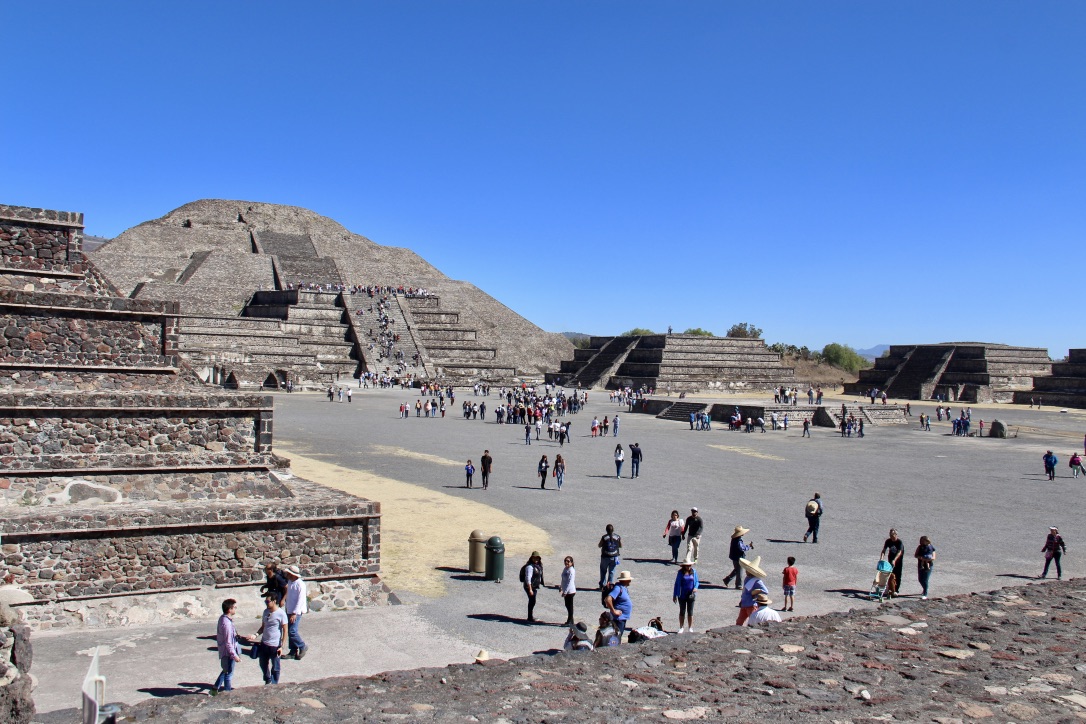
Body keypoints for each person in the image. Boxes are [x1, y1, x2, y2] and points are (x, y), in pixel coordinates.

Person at [212, 598, 245, 694]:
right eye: (234, 607)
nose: (236, 608)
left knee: (225, 670)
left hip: (226, 651)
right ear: (230, 609)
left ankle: (214, 689)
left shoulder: (223, 618)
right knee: (228, 674)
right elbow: (228, 642)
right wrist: (234, 655)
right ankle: (227, 693)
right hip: (228, 652)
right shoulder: (226, 623)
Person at [255, 595, 288, 685]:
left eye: (267, 601)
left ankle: (274, 684)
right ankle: (268, 679)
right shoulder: (265, 612)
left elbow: (285, 630)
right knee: (263, 664)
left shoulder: (281, 613)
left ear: (274, 601)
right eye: (265, 601)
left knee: (276, 667)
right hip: (264, 643)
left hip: (275, 645)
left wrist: (282, 646)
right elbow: (263, 627)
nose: (266, 603)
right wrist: (255, 635)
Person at [282, 565, 308, 660]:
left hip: (296, 612)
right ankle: (293, 651)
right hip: (289, 609)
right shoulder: (290, 582)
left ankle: (302, 646)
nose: (287, 575)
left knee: (292, 631)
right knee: (290, 631)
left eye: (289, 573)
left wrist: (294, 613)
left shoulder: (300, 585)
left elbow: (300, 600)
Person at [736, 556, 769, 626]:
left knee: (753, 622)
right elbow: (744, 591)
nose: (746, 571)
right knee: (739, 621)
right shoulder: (747, 578)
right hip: (744, 603)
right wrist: (742, 600)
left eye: (747, 570)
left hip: (751, 605)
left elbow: (765, 591)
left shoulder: (757, 581)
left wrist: (755, 594)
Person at [672, 558, 699, 633]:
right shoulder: (680, 573)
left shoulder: (694, 572)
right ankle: (681, 627)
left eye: (689, 565)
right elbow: (676, 584)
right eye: (687, 565)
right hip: (682, 595)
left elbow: (697, 582)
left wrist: (696, 587)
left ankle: (690, 627)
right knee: (682, 611)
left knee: (690, 612)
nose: (689, 567)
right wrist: (674, 595)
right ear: (684, 566)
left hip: (691, 595)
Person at [604, 571, 634, 638]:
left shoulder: (623, 587)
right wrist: (614, 611)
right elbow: (608, 599)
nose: (630, 581)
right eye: (629, 580)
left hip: (622, 618)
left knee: (618, 636)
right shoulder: (618, 588)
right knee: (616, 637)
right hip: (618, 619)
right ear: (625, 580)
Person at [520, 552, 544, 622]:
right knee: (532, 601)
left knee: (532, 601)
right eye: (534, 558)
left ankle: (530, 616)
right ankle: (530, 617)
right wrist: (530, 589)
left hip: (534, 586)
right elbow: (528, 578)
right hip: (530, 587)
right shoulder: (530, 567)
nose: (536, 559)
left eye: (537, 558)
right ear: (531, 558)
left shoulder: (538, 566)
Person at [880, 529, 904, 595]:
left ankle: (896, 590)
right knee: (890, 574)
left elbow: (899, 552)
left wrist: (894, 560)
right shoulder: (888, 541)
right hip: (890, 560)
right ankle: (890, 588)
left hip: (898, 561)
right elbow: (884, 550)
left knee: (897, 575)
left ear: (896, 535)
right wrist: (881, 558)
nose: (891, 536)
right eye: (890, 535)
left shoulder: (899, 542)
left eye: (892, 535)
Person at [598, 524, 622, 588]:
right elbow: (620, 546)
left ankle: (602, 585)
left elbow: (599, 545)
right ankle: (610, 585)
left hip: (605, 556)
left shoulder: (604, 537)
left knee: (603, 570)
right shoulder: (617, 537)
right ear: (613, 530)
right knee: (612, 571)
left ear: (606, 530)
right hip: (614, 556)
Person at [560, 556, 577, 624]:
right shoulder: (565, 569)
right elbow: (563, 579)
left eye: (568, 561)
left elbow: (570, 582)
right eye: (565, 561)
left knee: (569, 606)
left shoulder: (571, 570)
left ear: (572, 563)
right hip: (566, 590)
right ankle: (571, 620)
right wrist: (561, 586)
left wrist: (565, 592)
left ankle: (570, 621)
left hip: (570, 591)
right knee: (567, 605)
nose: (566, 562)